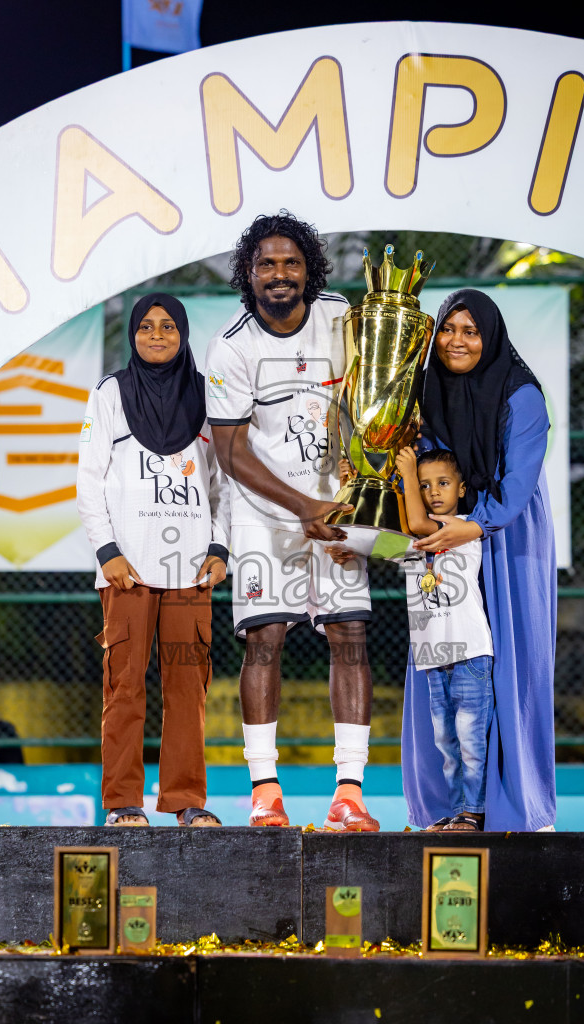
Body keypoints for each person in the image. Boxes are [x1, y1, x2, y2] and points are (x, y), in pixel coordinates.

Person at [205, 211, 379, 831]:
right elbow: (229, 452)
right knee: (264, 641)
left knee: (350, 638)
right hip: (263, 514)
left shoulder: (341, 318)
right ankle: (265, 791)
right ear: (248, 275)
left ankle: (350, 793)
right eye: (266, 265)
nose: (279, 275)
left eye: (290, 263)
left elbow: (374, 406)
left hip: (335, 509)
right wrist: (300, 507)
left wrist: (347, 502)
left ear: (310, 268)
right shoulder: (232, 345)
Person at [402, 288, 557, 832]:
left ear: (489, 337)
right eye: (448, 329)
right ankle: (450, 807)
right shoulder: (427, 390)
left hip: (505, 537)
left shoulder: (522, 395)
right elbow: (421, 469)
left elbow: (517, 486)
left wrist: (467, 526)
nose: (457, 341)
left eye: (470, 331)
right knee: (444, 667)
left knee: (508, 666)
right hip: (446, 535)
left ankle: (514, 806)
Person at [77, 293, 230, 827]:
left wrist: (219, 547)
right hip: (128, 571)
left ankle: (186, 801)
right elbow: (89, 481)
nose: (158, 335)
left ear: (184, 334)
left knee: (188, 688)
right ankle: (123, 805)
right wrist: (108, 552)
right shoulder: (111, 393)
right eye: (146, 326)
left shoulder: (206, 397)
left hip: (190, 571)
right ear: (133, 335)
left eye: (168, 326)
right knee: (124, 688)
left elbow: (222, 482)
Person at [394, 446, 493, 831]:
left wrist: (405, 475)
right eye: (423, 485)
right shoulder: (410, 544)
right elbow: (379, 546)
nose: (433, 491)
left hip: (470, 654)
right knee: (447, 747)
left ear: (462, 489)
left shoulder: (463, 529)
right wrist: (342, 547)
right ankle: (457, 813)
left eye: (443, 483)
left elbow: (419, 524)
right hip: (434, 658)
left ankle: (476, 812)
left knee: (471, 743)